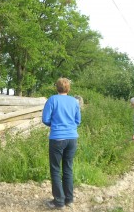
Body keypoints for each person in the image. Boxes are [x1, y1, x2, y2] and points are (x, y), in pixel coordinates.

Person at [42, 78, 81, 210]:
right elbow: (78, 120)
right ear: (68, 88)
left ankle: (59, 201)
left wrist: (55, 126)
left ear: (56, 88)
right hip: (72, 138)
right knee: (68, 169)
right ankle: (69, 199)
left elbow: (45, 119)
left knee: (55, 169)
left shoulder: (52, 99)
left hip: (57, 138)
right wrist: (69, 127)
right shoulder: (74, 101)